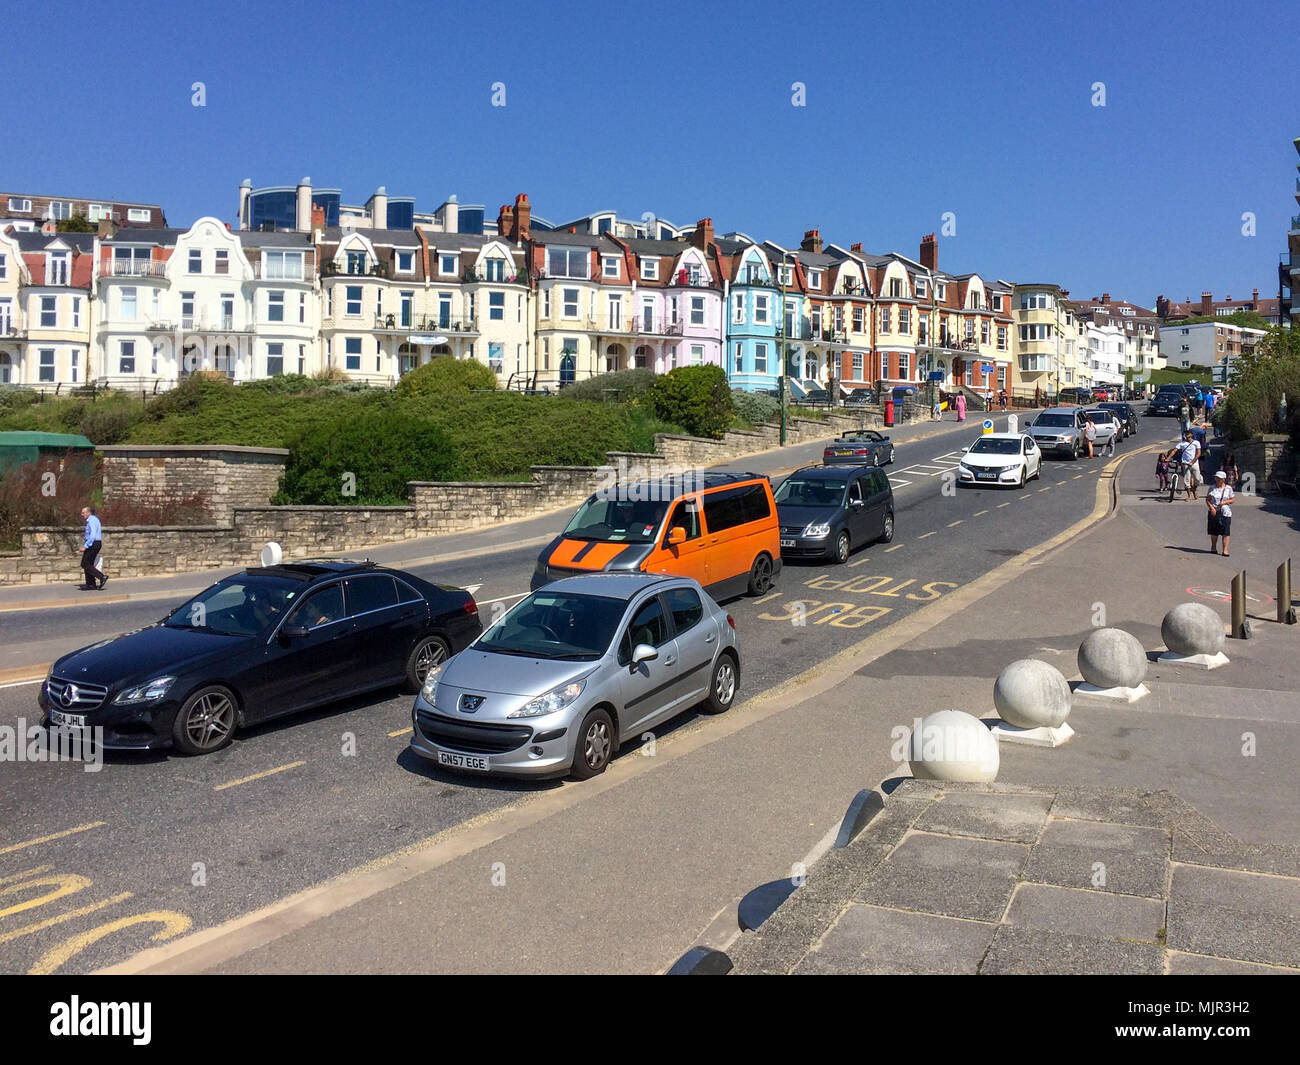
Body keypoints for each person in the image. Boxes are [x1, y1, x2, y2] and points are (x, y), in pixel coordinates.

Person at [1207, 470, 1234, 556]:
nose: (1217, 480)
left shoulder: (1228, 488)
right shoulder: (1212, 487)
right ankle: (1213, 547)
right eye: (1216, 478)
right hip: (1214, 511)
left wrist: (1225, 502)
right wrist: (1212, 508)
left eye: (1219, 478)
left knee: (1226, 531)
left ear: (1223, 479)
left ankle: (1225, 550)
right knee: (1214, 531)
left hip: (1226, 512)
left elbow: (1232, 499)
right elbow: (1208, 499)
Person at [79, 506, 106, 590]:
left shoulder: (92, 520)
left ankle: (102, 577)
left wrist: (86, 546)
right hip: (93, 543)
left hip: (93, 543)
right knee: (88, 564)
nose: (82, 514)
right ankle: (91, 584)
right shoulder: (91, 520)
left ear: (88, 512)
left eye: (83, 513)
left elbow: (93, 535)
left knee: (85, 563)